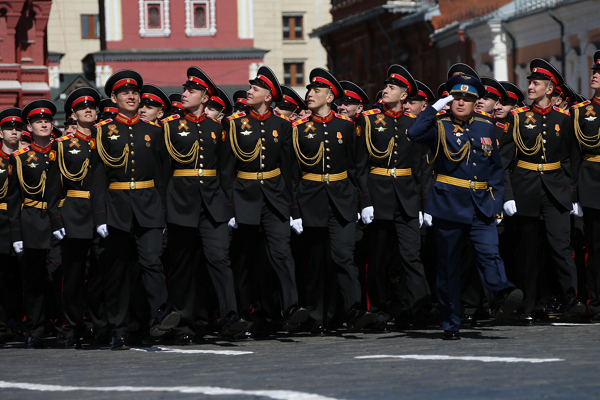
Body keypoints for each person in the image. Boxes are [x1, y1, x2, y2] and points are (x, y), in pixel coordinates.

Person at [407, 74, 523, 340]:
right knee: (449, 268)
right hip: (449, 206)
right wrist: (434, 108)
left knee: (490, 253)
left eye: (468, 98)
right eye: (456, 97)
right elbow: (413, 133)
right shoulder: (438, 125)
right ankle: (450, 322)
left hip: (481, 204)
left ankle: (503, 292)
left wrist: (495, 201)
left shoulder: (485, 126)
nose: (461, 102)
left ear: (475, 102)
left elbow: (494, 166)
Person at [94, 70, 179, 350]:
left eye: (135, 93)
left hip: (150, 206)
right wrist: (100, 216)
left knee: (152, 261)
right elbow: (97, 177)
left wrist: (165, 213)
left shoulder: (155, 131)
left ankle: (160, 313)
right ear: (114, 98)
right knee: (118, 272)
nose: (131, 97)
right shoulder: (102, 131)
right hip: (117, 208)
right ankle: (118, 329)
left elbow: (163, 176)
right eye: (125, 93)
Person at [161, 67, 246, 344]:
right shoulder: (169, 127)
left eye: (191, 91)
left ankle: (229, 315)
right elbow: (162, 172)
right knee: (183, 264)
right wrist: (163, 209)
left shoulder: (217, 129)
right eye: (185, 90)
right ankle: (182, 322)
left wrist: (229, 207)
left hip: (213, 204)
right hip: (180, 203)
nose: (185, 94)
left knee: (219, 259)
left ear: (205, 97)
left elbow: (226, 171)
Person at [500, 58, 585, 325]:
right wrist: (508, 195)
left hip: (556, 191)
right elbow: (505, 161)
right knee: (528, 251)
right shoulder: (518, 118)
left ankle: (571, 298)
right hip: (526, 190)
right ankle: (529, 304)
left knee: (561, 246)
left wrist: (572, 195)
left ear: (550, 89)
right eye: (530, 82)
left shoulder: (564, 118)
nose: (530, 86)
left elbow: (571, 159)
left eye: (536, 83)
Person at [292, 67, 374, 334]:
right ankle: (317, 316)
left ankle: (353, 310)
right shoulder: (298, 128)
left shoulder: (347, 126)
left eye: (316, 91)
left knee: (343, 256)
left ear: (330, 97)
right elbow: (292, 172)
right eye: (309, 90)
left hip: (342, 200)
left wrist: (364, 202)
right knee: (315, 262)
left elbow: (357, 166)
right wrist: (295, 210)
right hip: (311, 200)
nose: (310, 94)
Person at [227, 66, 308, 336]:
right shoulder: (235, 124)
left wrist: (293, 207)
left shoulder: (283, 125)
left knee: (282, 253)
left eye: (255, 89)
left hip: (274, 198)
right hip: (244, 197)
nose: (249, 91)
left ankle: (291, 307)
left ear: (268, 97)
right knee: (244, 260)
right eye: (250, 88)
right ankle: (241, 315)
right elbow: (227, 169)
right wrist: (229, 207)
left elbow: (289, 169)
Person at [355, 66, 431, 331]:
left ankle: (418, 307)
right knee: (377, 258)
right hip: (378, 196)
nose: (385, 90)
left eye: (391, 88)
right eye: (385, 86)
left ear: (403, 95)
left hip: (408, 197)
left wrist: (423, 204)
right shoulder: (367, 120)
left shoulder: (414, 123)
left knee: (411, 256)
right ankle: (378, 310)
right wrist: (364, 201)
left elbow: (421, 167)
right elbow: (360, 165)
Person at [45, 88, 107, 348]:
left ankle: (100, 324)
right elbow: (52, 189)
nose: (89, 111)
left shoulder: (107, 140)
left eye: (92, 107)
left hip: (103, 212)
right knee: (73, 274)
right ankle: (72, 326)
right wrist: (57, 220)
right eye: (83, 109)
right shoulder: (61, 146)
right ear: (74, 114)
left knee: (101, 273)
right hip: (74, 212)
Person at [6, 100, 63, 348]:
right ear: (29, 127)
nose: (44, 124)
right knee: (35, 279)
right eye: (38, 121)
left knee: (60, 275)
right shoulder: (19, 158)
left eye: (47, 121)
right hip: (33, 221)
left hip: (60, 222)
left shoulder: (63, 151)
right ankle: (36, 328)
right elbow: (13, 199)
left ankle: (64, 325)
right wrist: (16, 234)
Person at [571, 50, 600, 322]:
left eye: (599, 72)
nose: (594, 74)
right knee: (595, 249)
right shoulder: (581, 112)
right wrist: (574, 194)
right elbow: (572, 155)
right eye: (593, 71)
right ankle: (597, 304)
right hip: (592, 184)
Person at [0, 108, 23, 347]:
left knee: (20, 276)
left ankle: (18, 322)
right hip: (1, 222)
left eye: (17, 128)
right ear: (1, 132)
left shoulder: (28, 156)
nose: (14, 132)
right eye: (9, 129)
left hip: (23, 221)